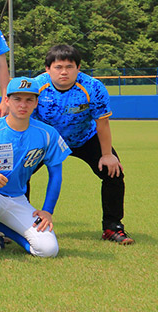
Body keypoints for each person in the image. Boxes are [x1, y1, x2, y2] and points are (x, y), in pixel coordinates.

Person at [32, 45, 133, 244]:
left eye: (69, 67)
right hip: (47, 141)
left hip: (83, 138)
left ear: (78, 68)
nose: (64, 72)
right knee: (18, 173)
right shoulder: (36, 87)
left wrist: (107, 154)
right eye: (58, 67)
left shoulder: (93, 87)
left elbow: (102, 123)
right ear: (47, 69)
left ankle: (112, 227)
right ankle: (16, 225)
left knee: (114, 172)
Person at [0, 77, 70, 261]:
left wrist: (47, 210)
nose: (23, 104)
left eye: (29, 100)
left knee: (48, 250)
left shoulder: (47, 133)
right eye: (17, 99)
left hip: (17, 199)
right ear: (6, 101)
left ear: (36, 102)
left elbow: (56, 175)